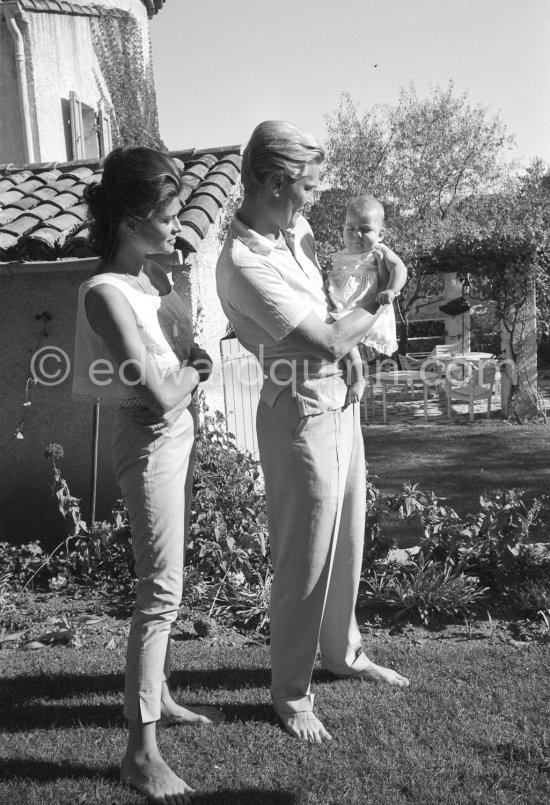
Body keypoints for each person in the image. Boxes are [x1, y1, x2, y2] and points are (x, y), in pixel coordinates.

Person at [216, 121, 409, 746]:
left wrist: (349, 348)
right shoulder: (244, 262)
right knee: (305, 555)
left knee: (346, 541)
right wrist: (382, 293)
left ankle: (342, 654)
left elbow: (323, 315)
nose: (317, 200)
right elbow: (323, 341)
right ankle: (291, 693)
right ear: (276, 182)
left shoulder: (290, 232)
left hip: (339, 403)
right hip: (297, 415)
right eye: (311, 186)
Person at [73, 147, 223, 805]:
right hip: (152, 438)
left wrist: (186, 345)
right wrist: (189, 376)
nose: (176, 224)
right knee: (158, 588)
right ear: (134, 218)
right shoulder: (105, 292)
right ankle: (140, 750)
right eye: (168, 214)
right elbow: (159, 393)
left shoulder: (145, 283)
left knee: (171, 579)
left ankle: (158, 693)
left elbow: (179, 361)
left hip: (176, 436)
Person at [326, 193, 408, 406]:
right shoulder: (342, 256)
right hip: (346, 310)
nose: (356, 235)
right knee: (343, 343)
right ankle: (356, 378)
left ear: (381, 234)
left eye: (365, 229)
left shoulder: (378, 251)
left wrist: (391, 290)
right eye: (350, 229)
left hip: (367, 309)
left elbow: (400, 268)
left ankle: (358, 379)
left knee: (347, 346)